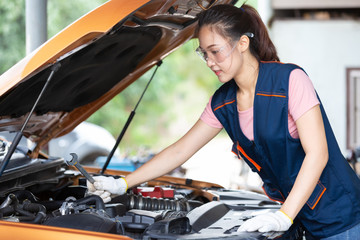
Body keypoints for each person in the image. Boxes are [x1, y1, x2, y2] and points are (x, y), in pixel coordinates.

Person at [87, 4, 360, 239]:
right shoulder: (223, 102)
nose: (209, 61)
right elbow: (180, 150)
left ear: (242, 43)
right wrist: (124, 183)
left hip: (341, 217)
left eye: (215, 51)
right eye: (204, 53)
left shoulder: (289, 81)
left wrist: (284, 216)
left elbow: (318, 153)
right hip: (297, 216)